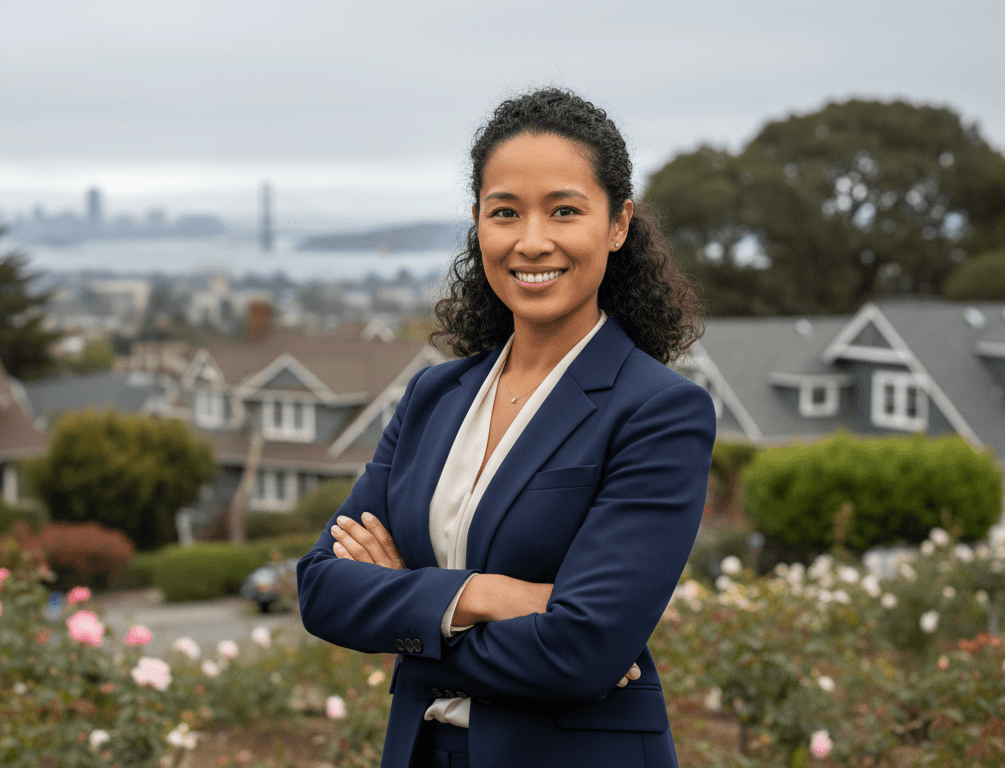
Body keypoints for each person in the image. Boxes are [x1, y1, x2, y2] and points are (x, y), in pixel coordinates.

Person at [295, 87, 715, 768]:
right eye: (505, 213)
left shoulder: (658, 411)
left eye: (565, 211)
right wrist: (485, 596)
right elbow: (321, 587)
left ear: (617, 224)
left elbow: (581, 654)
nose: (531, 241)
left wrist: (410, 616)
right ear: (477, 225)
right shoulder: (436, 395)